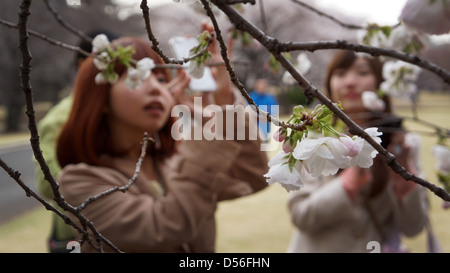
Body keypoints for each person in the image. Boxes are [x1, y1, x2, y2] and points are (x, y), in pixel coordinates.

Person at [55, 24, 269, 253]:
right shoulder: (78, 182)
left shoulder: (173, 162)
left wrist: (223, 102)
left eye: (160, 79)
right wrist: (206, 135)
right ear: (102, 97)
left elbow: (253, 176)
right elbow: (164, 227)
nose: (156, 89)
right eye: (138, 77)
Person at [286, 50, 430, 253]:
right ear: (329, 83)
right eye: (341, 74)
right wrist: (350, 179)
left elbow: (413, 228)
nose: (351, 82)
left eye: (362, 73)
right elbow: (301, 216)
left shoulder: (404, 145)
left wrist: (404, 179)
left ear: (381, 82)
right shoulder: (312, 140)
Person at [34, 30, 120, 253]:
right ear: (84, 63)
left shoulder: (126, 111)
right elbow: (47, 183)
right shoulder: (59, 119)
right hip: (74, 238)